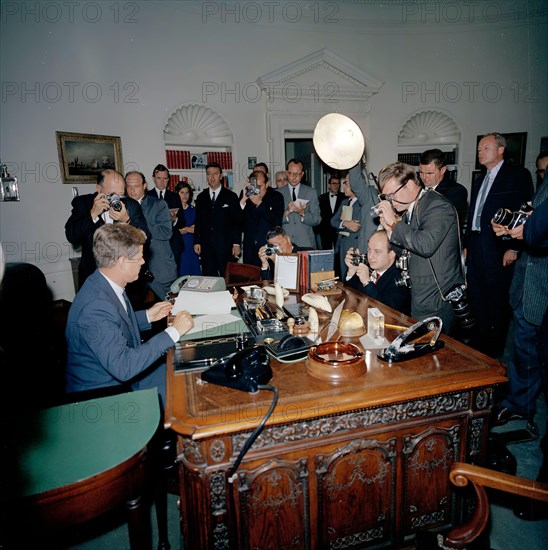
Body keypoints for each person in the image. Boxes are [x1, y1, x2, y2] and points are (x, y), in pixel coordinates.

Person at [65, 224, 193, 408]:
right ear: (123, 262)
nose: (143, 262)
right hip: (103, 395)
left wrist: (147, 316)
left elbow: (114, 323)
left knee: (182, 370)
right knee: (184, 392)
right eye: (140, 257)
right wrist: (174, 332)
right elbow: (124, 367)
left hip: (116, 376)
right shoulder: (94, 308)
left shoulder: (104, 282)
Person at [491, 171, 548, 520]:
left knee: (534, 356)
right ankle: (520, 404)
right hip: (526, 288)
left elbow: (538, 230)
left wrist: (523, 231)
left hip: (540, 289)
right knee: (523, 353)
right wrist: (516, 237)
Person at [464, 132, 534, 356]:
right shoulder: (479, 179)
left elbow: (525, 213)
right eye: (479, 149)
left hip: (499, 247)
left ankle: (494, 352)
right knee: (477, 298)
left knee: (497, 301)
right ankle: (479, 346)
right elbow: (473, 215)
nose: (480, 152)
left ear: (501, 149)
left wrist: (514, 248)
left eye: (485, 148)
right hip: (476, 247)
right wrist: (467, 245)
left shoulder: (517, 175)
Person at [376, 162, 463, 335]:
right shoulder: (413, 207)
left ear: (409, 184)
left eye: (392, 195)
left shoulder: (437, 205)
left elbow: (425, 245)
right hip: (420, 293)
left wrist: (394, 223)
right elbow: (407, 251)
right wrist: (389, 230)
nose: (391, 202)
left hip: (437, 298)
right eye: (386, 198)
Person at [65, 169, 150, 305]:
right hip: (93, 277)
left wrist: (127, 220)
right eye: (111, 194)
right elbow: (71, 235)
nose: (116, 199)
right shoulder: (83, 203)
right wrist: (92, 214)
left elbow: (146, 236)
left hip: (127, 282)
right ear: (98, 188)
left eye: (121, 194)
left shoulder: (131, 205)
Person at [125, 171, 178, 300]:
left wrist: (136, 222)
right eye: (129, 186)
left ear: (144, 186)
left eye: (136, 186)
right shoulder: (121, 206)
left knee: (172, 307)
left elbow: (166, 232)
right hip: (131, 269)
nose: (132, 190)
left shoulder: (158, 204)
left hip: (159, 267)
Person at [344, 231, 411, 315]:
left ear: (391, 254)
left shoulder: (400, 277)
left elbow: (386, 310)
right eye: (369, 249)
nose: (370, 256)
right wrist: (352, 271)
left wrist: (367, 283)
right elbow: (351, 296)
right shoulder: (367, 264)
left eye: (377, 251)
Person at [194, 162, 243, 277]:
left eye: (215, 174)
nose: (212, 177)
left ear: (221, 176)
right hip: (207, 246)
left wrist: (237, 243)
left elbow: (237, 222)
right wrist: (196, 241)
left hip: (226, 246)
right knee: (209, 279)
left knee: (227, 278)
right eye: (209, 174)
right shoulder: (201, 197)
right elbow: (198, 221)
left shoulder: (231, 196)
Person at [240, 170, 284, 266]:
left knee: (269, 279)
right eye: (255, 186)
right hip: (250, 249)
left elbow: (276, 222)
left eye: (260, 186)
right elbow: (238, 222)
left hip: (268, 248)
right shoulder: (247, 196)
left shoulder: (276, 196)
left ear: (267, 184)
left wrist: (259, 204)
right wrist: (243, 200)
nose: (257, 190)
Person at [418, 148, 468, 231]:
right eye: (420, 172)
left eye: (429, 173)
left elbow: (441, 221)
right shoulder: (416, 187)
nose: (423, 177)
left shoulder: (457, 191)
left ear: (443, 170)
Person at [278, 158, 321, 249]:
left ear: (302, 174)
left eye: (296, 174)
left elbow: (317, 219)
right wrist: (286, 213)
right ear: (286, 173)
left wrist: (303, 213)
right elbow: (272, 220)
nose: (293, 177)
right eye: (290, 173)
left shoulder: (311, 192)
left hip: (306, 243)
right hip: (284, 244)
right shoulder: (278, 193)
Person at [147, 163, 183, 259]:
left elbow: (183, 221)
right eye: (159, 178)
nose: (162, 182)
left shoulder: (175, 197)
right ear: (153, 178)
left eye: (165, 178)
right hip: (153, 244)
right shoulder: (147, 196)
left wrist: (175, 220)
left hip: (173, 244)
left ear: (168, 179)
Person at [331, 178, 362, 279]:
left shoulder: (362, 204)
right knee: (343, 278)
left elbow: (356, 227)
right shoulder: (344, 202)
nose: (343, 186)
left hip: (354, 247)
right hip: (341, 245)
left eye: (346, 183)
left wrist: (341, 225)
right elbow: (332, 222)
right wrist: (345, 223)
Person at [174, 181, 201, 276]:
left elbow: (198, 229)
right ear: (177, 193)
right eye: (182, 192)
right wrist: (190, 228)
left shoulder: (194, 210)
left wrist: (184, 229)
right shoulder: (173, 211)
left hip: (192, 246)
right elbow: (174, 231)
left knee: (194, 273)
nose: (185, 195)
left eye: (187, 192)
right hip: (179, 245)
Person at [317, 176, 345, 250]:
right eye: (334, 183)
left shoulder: (344, 197)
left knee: (339, 254)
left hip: (339, 231)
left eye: (338, 183)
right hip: (325, 232)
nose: (336, 185)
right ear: (329, 185)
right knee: (326, 254)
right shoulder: (322, 198)